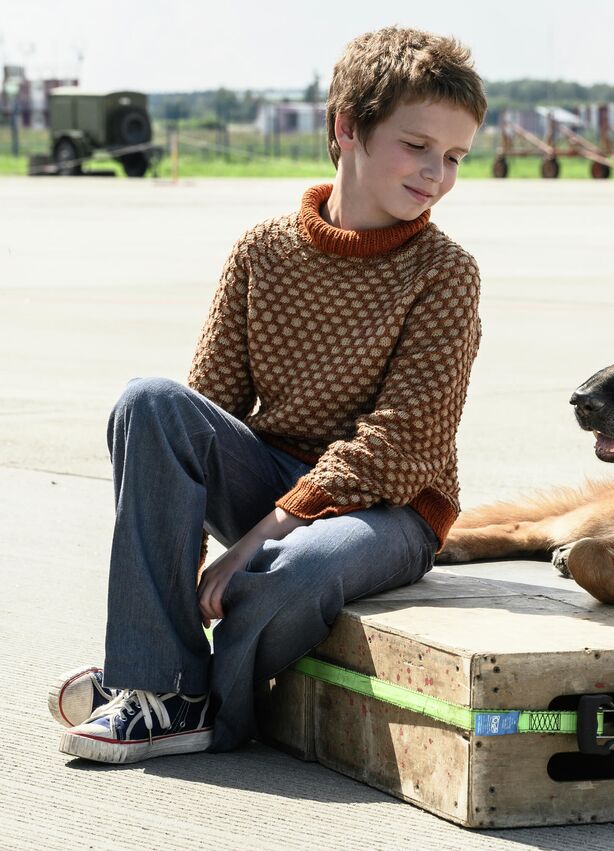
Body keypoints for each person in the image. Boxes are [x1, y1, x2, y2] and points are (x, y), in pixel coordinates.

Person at [48, 26, 486, 764]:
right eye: (417, 146)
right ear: (347, 127)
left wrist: (256, 539)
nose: (435, 174)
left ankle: (186, 699)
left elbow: (402, 441)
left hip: (392, 508)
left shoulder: (445, 272)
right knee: (147, 401)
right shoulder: (263, 250)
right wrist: (182, 574)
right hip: (273, 478)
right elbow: (200, 413)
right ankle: (161, 684)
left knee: (294, 571)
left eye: (454, 158)